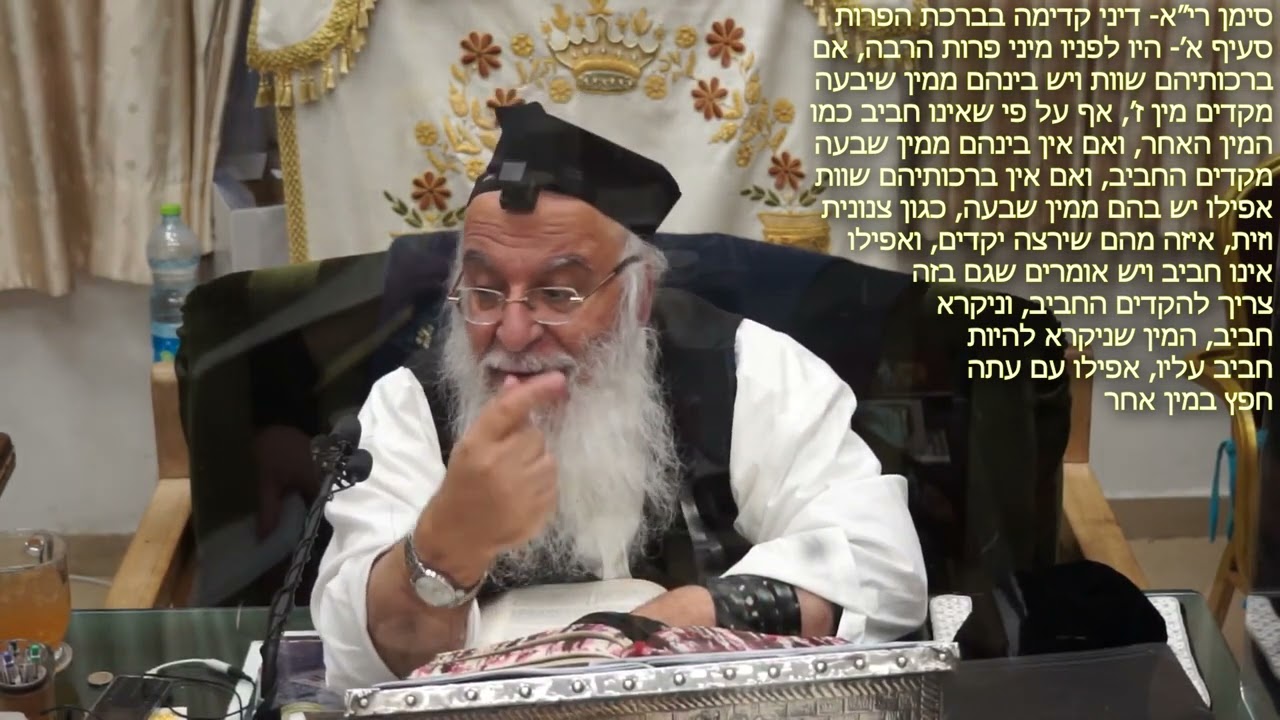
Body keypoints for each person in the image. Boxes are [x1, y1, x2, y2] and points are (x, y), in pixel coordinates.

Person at [312, 102, 928, 690]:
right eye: (485, 292)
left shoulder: (747, 368)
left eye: (558, 294)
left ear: (638, 295)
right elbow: (358, 656)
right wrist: (446, 543)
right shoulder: (411, 405)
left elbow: (879, 566)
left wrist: (673, 625)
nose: (514, 333)